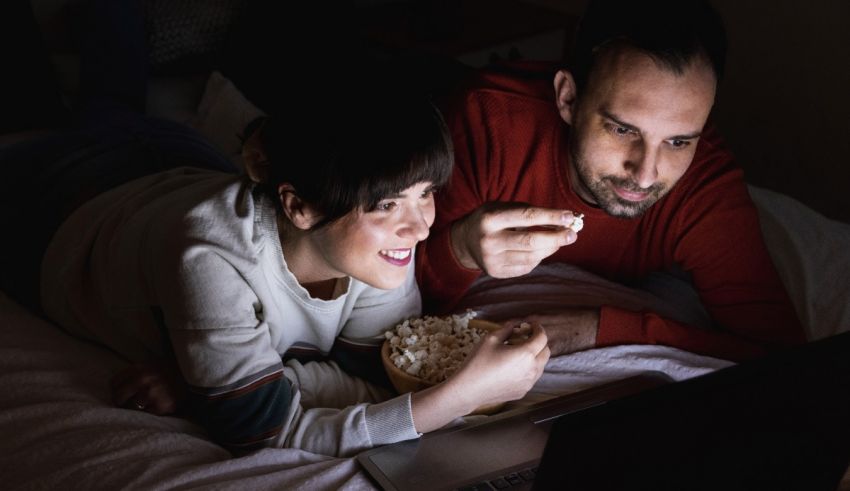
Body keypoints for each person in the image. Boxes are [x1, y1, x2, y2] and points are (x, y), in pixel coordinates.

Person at [1, 0, 550, 457]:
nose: (419, 226)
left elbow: (373, 374)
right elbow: (264, 429)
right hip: (63, 197)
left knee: (114, 100)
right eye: (386, 204)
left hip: (176, 158)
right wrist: (457, 397)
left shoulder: (379, 247)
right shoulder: (211, 259)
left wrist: (225, 385)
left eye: (427, 193)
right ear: (300, 208)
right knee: (44, 103)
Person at [416, 0, 806, 362]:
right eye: (622, 129)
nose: (646, 173)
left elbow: (777, 352)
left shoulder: (704, 183)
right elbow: (385, 311)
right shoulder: (488, 123)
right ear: (568, 99)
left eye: (677, 141)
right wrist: (462, 249)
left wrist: (601, 329)